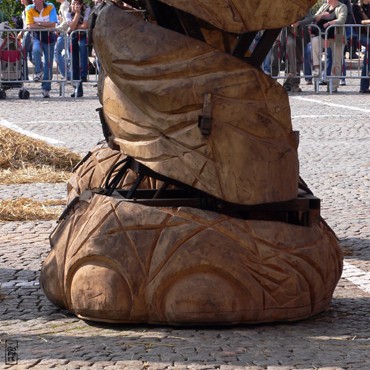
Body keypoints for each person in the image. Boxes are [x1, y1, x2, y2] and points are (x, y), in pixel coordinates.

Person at [295, 0, 348, 93]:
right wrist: (322, 16)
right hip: (324, 37)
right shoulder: (324, 6)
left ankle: (334, 86)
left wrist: (329, 23)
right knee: (315, 41)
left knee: (337, 62)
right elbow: (313, 18)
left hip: (337, 38)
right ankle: (317, 67)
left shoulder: (342, 7)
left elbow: (341, 20)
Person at [26, 0, 57, 98]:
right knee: (36, 51)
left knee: (48, 63)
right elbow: (30, 26)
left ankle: (46, 88)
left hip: (49, 39)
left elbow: (53, 24)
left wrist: (38, 24)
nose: (34, 0)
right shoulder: (29, 8)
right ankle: (38, 71)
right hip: (36, 37)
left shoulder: (50, 6)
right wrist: (45, 25)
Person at [65, 0, 91, 97]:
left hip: (83, 36)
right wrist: (77, 14)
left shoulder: (87, 8)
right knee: (74, 62)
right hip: (72, 37)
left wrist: (76, 26)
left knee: (83, 55)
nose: (75, 6)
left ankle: (83, 75)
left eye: (77, 4)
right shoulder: (67, 10)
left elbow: (85, 25)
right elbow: (71, 26)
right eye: (73, 4)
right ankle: (77, 87)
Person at [271, 26, 304, 92]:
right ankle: (272, 84)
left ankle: (292, 84)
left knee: (293, 59)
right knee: (275, 61)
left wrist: (299, 23)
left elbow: (309, 18)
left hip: (292, 34)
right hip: (279, 34)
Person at [352, 0, 370, 93]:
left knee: (367, 59)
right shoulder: (355, 7)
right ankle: (364, 85)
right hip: (361, 34)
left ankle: (364, 87)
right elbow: (357, 22)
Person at [17, 0, 33, 81]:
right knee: (30, 57)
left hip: (27, 34)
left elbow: (28, 24)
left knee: (23, 55)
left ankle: (25, 76)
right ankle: (42, 71)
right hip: (27, 33)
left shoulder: (28, 9)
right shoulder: (27, 9)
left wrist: (21, 32)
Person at [54, 0, 70, 80]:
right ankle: (67, 74)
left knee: (57, 52)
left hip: (64, 32)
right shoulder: (64, 5)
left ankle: (67, 74)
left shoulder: (64, 5)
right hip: (64, 32)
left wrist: (56, 28)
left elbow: (66, 22)